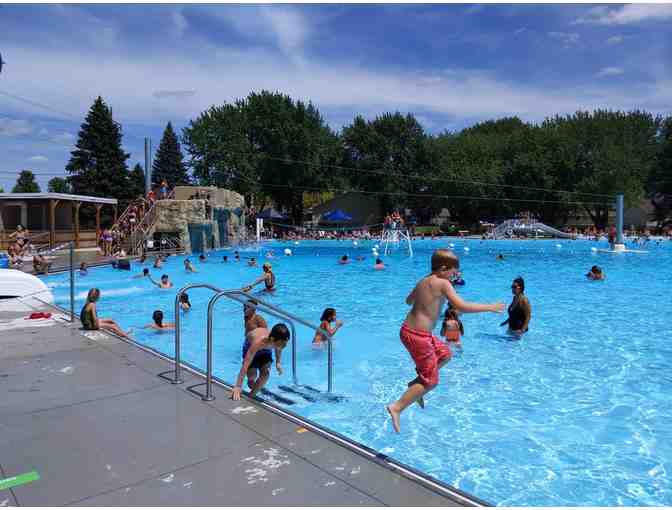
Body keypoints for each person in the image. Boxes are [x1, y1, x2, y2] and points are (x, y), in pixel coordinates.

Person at [386, 249, 504, 433]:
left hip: (412, 332)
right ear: (443, 268)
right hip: (418, 336)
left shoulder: (424, 281)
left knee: (445, 354)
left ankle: (416, 385)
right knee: (431, 381)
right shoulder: (443, 283)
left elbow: (408, 301)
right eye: (453, 273)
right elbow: (461, 306)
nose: (454, 277)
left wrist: (425, 297)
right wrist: (490, 307)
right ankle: (397, 407)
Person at [231, 323, 290, 401]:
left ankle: (251, 396)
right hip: (251, 347)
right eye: (282, 343)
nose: (284, 346)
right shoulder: (258, 342)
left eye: (285, 343)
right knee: (252, 376)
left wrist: (278, 363)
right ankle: (251, 382)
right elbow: (245, 364)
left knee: (265, 373)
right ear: (272, 339)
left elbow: (278, 348)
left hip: (265, 351)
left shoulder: (277, 340)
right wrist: (238, 386)